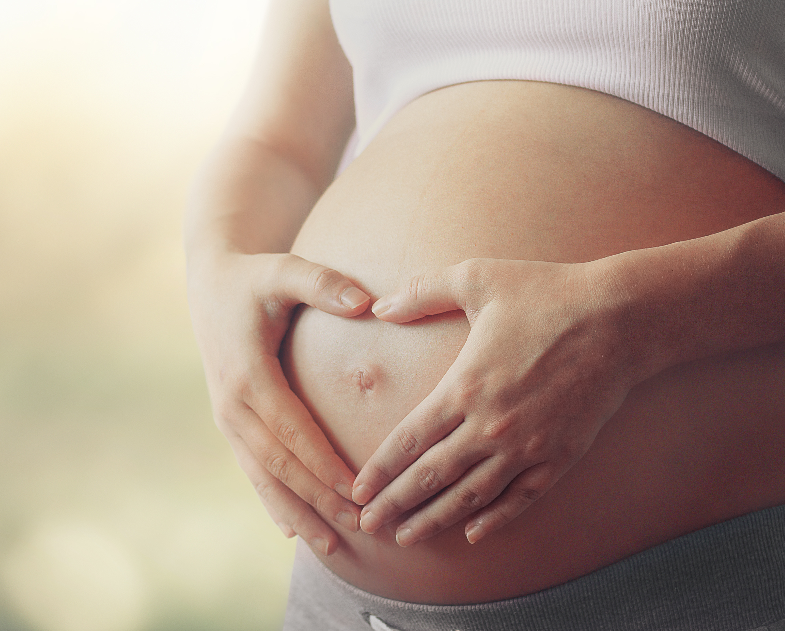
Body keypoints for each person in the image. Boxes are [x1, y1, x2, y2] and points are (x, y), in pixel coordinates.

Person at [185, 1, 785, 628]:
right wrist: (215, 269)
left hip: (697, 581)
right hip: (340, 604)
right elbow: (277, 143)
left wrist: (637, 320)